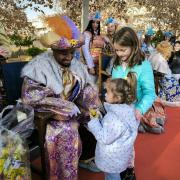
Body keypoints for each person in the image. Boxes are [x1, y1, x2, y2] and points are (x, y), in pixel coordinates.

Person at [21, 20, 102, 179]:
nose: (69, 57)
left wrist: (91, 104)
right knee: (67, 131)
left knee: (95, 117)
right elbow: (30, 96)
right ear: (53, 50)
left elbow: (83, 85)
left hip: (71, 108)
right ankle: (63, 176)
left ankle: (86, 157)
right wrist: (62, 105)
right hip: (48, 114)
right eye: (64, 53)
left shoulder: (73, 64)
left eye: (72, 52)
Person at [87, 73, 139, 180]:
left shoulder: (114, 118)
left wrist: (94, 121)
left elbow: (104, 137)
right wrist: (101, 119)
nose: (104, 94)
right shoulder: (129, 109)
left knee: (112, 176)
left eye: (108, 92)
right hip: (121, 155)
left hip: (111, 159)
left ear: (118, 97)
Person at [82, 11, 105, 76]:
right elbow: (85, 50)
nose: (95, 24)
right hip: (90, 64)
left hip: (99, 63)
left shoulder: (98, 34)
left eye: (97, 23)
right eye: (93, 22)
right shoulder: (87, 33)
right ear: (90, 23)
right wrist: (91, 67)